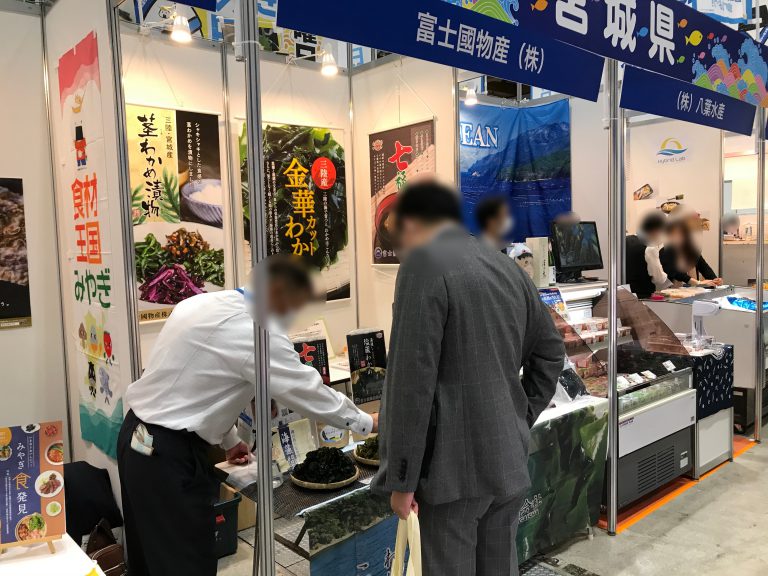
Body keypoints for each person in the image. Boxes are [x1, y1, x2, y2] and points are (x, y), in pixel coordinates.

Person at [118, 256, 377, 576]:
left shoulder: (201, 304)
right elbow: (307, 390)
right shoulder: (256, 329)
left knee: (149, 561)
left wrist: (229, 441)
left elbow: (194, 386)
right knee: (184, 563)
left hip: (138, 440)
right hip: (166, 456)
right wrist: (368, 422)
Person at [373, 179, 564, 576]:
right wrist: (518, 416)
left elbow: (410, 384)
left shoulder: (422, 266)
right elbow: (550, 353)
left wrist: (401, 480)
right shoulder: (504, 265)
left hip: (451, 476)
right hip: (507, 461)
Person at [660, 217, 721, 287]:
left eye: (681, 233)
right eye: (674, 234)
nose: (677, 237)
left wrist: (715, 280)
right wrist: (697, 282)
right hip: (671, 290)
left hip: (694, 290)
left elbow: (705, 268)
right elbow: (674, 272)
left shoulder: (693, 251)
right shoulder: (665, 251)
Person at [625, 210, 671, 298]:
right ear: (656, 230)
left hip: (624, 295)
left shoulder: (626, 240)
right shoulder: (650, 248)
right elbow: (659, 279)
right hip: (643, 297)